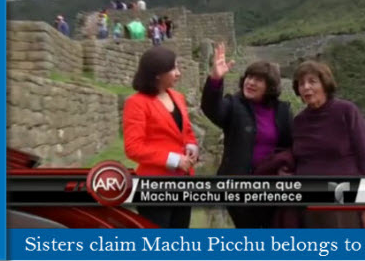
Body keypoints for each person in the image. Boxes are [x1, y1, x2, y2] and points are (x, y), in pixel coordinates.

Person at [201, 42, 293, 228]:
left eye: (258, 80)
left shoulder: (282, 111)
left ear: (270, 86)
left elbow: (289, 145)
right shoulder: (234, 105)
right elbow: (212, 109)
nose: (250, 83)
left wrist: (285, 167)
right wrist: (215, 80)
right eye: (249, 77)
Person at [292, 61, 365, 228]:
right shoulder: (299, 121)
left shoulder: (346, 111)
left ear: (325, 84)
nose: (306, 87)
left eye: (312, 81)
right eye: (301, 83)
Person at [123, 46, 198, 228]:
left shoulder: (178, 97)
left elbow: (185, 131)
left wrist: (191, 145)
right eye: (173, 69)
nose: (178, 73)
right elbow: (133, 148)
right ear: (157, 74)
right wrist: (173, 160)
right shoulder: (137, 103)